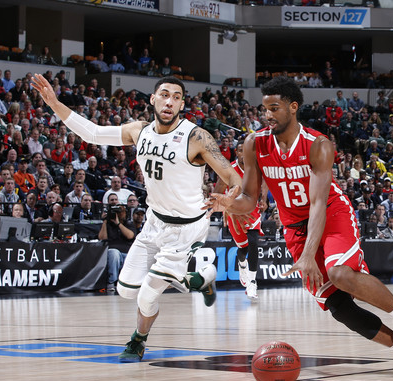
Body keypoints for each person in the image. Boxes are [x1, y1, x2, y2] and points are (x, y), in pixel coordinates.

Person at [207, 77, 393, 379]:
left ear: (293, 107)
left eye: (274, 108)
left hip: (331, 214)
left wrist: (308, 253)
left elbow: (317, 204)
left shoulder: (318, 145)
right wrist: (227, 205)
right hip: (294, 226)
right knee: (337, 306)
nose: (268, 115)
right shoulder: (254, 144)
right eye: (264, 110)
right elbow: (250, 199)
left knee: (340, 273)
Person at [31, 74, 242, 363]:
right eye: (164, 94)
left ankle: (137, 341)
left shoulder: (196, 137)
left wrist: (230, 197)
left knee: (147, 295)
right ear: (153, 99)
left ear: (182, 105)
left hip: (187, 228)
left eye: (177, 97)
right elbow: (92, 133)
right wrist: (54, 103)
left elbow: (232, 175)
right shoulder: (138, 131)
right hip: (154, 223)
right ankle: (201, 278)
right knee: (126, 290)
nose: (169, 101)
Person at [214, 139, 262, 300]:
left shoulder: (256, 167)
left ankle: (252, 282)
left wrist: (264, 199)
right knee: (243, 248)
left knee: (254, 241)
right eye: (241, 150)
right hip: (234, 213)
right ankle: (242, 263)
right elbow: (218, 192)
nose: (244, 153)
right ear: (237, 153)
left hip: (252, 209)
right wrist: (224, 206)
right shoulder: (229, 171)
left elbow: (264, 184)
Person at [99, 203, 137, 291]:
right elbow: (102, 238)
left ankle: (128, 283)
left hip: (126, 253)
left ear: (125, 213)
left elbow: (130, 235)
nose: (119, 214)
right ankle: (112, 282)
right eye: (116, 212)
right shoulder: (108, 224)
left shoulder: (129, 224)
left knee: (129, 257)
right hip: (113, 252)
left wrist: (118, 223)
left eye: (121, 211)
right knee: (114, 253)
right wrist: (104, 221)